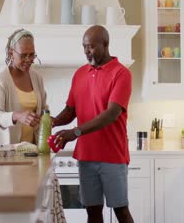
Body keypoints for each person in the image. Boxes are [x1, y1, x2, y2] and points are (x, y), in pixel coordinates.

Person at [53, 25, 134, 223]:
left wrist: (76, 132)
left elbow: (111, 114)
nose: (86, 51)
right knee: (92, 213)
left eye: (90, 47)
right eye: (84, 47)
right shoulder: (80, 74)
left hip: (113, 156)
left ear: (105, 44)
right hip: (87, 157)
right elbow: (70, 111)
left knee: (121, 212)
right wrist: (51, 122)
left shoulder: (121, 73)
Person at [0, 29, 48, 145]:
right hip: (4, 150)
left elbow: (44, 108)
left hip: (30, 149)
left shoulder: (37, 78)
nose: (28, 60)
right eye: (23, 55)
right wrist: (17, 116)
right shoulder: (1, 79)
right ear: (11, 53)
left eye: (32, 55)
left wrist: (47, 118)